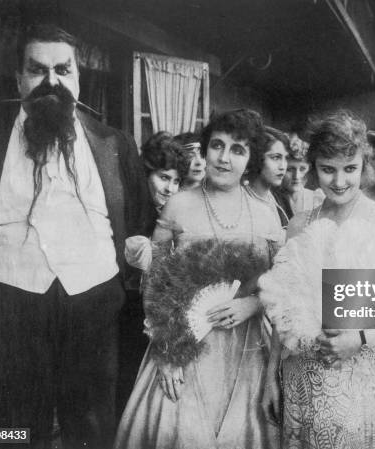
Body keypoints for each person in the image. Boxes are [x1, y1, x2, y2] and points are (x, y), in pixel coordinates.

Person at [0, 24, 149, 449]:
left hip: (93, 306)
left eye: (63, 70)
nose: (52, 82)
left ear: (78, 78)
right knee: (8, 428)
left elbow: (138, 220)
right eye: (37, 70)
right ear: (18, 79)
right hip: (6, 307)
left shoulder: (116, 145)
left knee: (93, 426)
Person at [115, 109, 282, 449]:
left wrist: (253, 303)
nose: (224, 158)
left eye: (238, 149)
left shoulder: (266, 216)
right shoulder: (178, 205)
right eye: (217, 145)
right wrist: (166, 352)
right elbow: (155, 283)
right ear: (205, 150)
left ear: (250, 159)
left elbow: (282, 280)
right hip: (183, 344)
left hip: (246, 348)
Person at [260, 111, 375, 448]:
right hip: (301, 369)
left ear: (364, 166)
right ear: (314, 167)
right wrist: (271, 375)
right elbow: (281, 308)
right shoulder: (299, 225)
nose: (340, 181)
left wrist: (358, 339)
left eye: (350, 169)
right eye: (328, 169)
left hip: (360, 368)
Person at [117, 132, 187, 417]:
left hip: (159, 313)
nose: (170, 188)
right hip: (128, 312)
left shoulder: (172, 217)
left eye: (176, 181)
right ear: (146, 174)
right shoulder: (131, 213)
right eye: (163, 177)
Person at [246, 125, 292, 226]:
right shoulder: (241, 202)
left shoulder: (281, 199)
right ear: (256, 158)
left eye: (285, 158)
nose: (283, 166)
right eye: (276, 158)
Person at [276, 132, 325, 216]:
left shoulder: (317, 199)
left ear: (309, 169)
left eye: (302, 169)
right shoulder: (272, 198)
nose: (296, 176)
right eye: (290, 169)